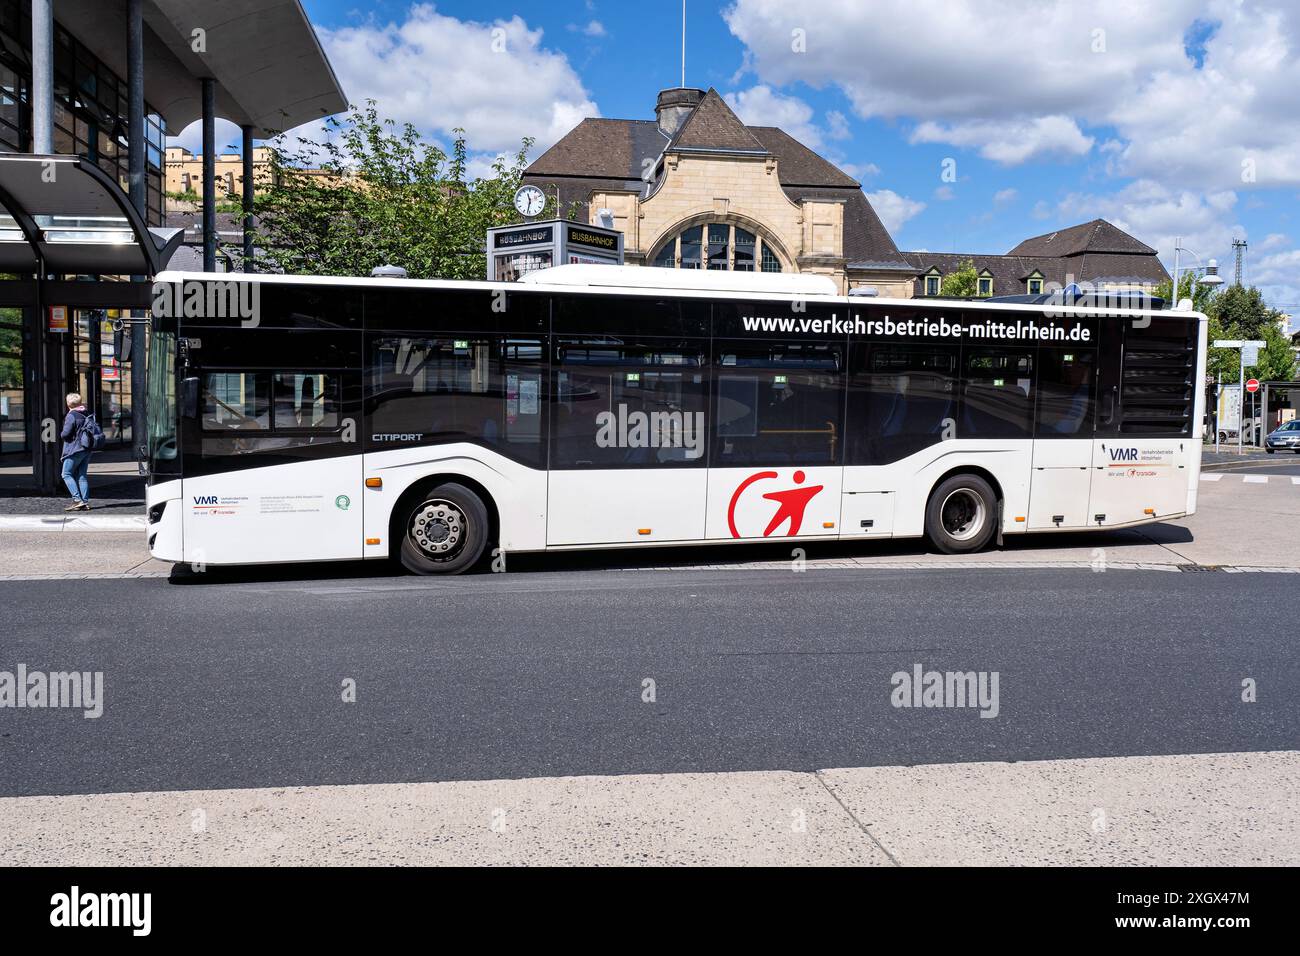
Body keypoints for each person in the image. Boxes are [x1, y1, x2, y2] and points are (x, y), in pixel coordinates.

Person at [59, 392, 92, 512]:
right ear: (80, 402)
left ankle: (77, 500)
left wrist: (61, 434)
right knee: (82, 476)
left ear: (68, 403)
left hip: (74, 450)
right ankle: (85, 502)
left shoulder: (71, 415)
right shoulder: (86, 413)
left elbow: (66, 434)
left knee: (66, 474)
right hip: (86, 448)